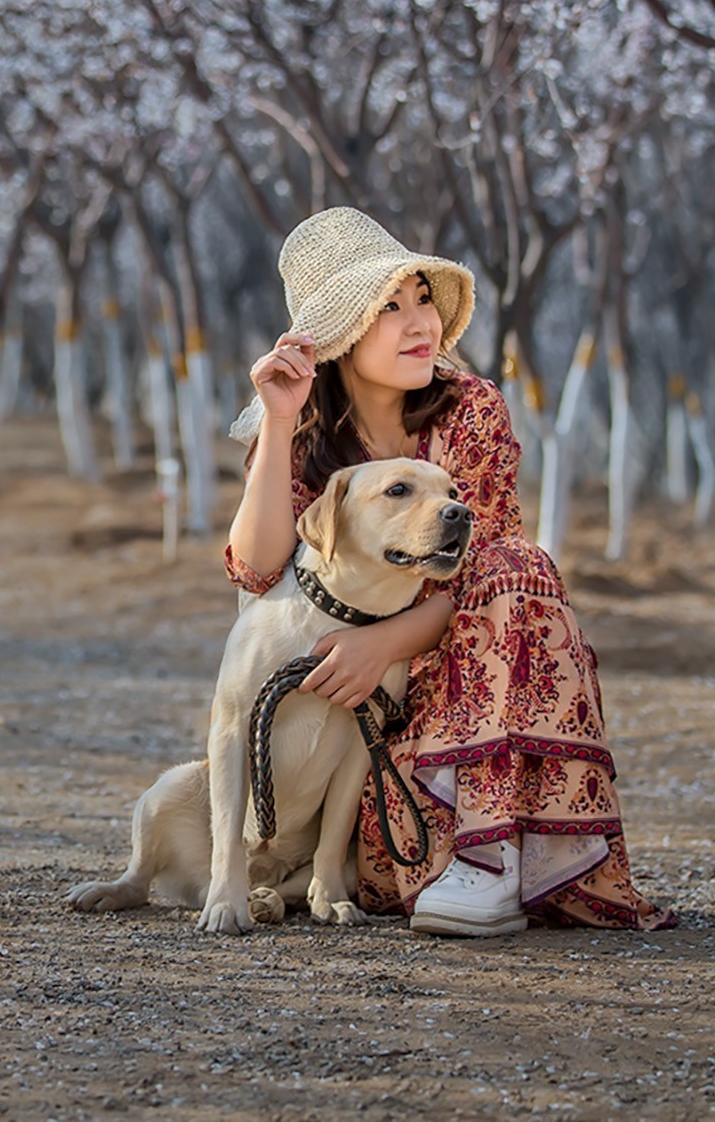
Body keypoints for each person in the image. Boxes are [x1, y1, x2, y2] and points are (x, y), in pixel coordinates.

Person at [225, 207, 676, 936]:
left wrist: (382, 644)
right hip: (359, 742)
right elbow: (254, 569)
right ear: (338, 334)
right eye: (388, 306)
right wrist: (278, 425)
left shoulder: (470, 413)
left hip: (467, 686)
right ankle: (425, 861)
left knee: (517, 563)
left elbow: (489, 577)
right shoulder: (304, 430)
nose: (419, 322)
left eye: (423, 298)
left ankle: (491, 855)